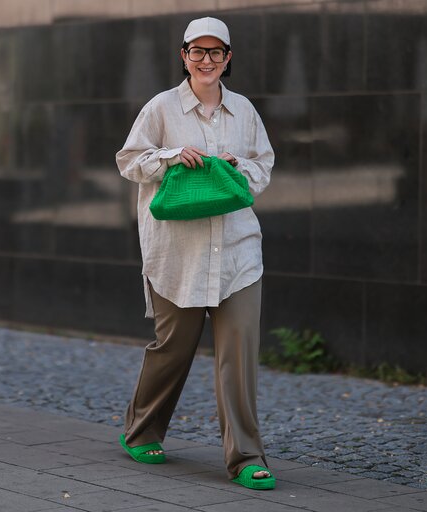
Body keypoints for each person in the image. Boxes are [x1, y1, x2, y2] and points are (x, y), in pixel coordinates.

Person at [115, 16, 275, 490]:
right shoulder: (161, 108)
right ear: (183, 56)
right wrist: (168, 157)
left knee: (239, 355)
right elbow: (129, 161)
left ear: (228, 59)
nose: (207, 60)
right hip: (177, 253)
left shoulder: (244, 111)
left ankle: (246, 457)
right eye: (197, 52)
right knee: (173, 349)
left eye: (216, 52)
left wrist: (235, 166)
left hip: (237, 252)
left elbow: (263, 166)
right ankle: (141, 430)